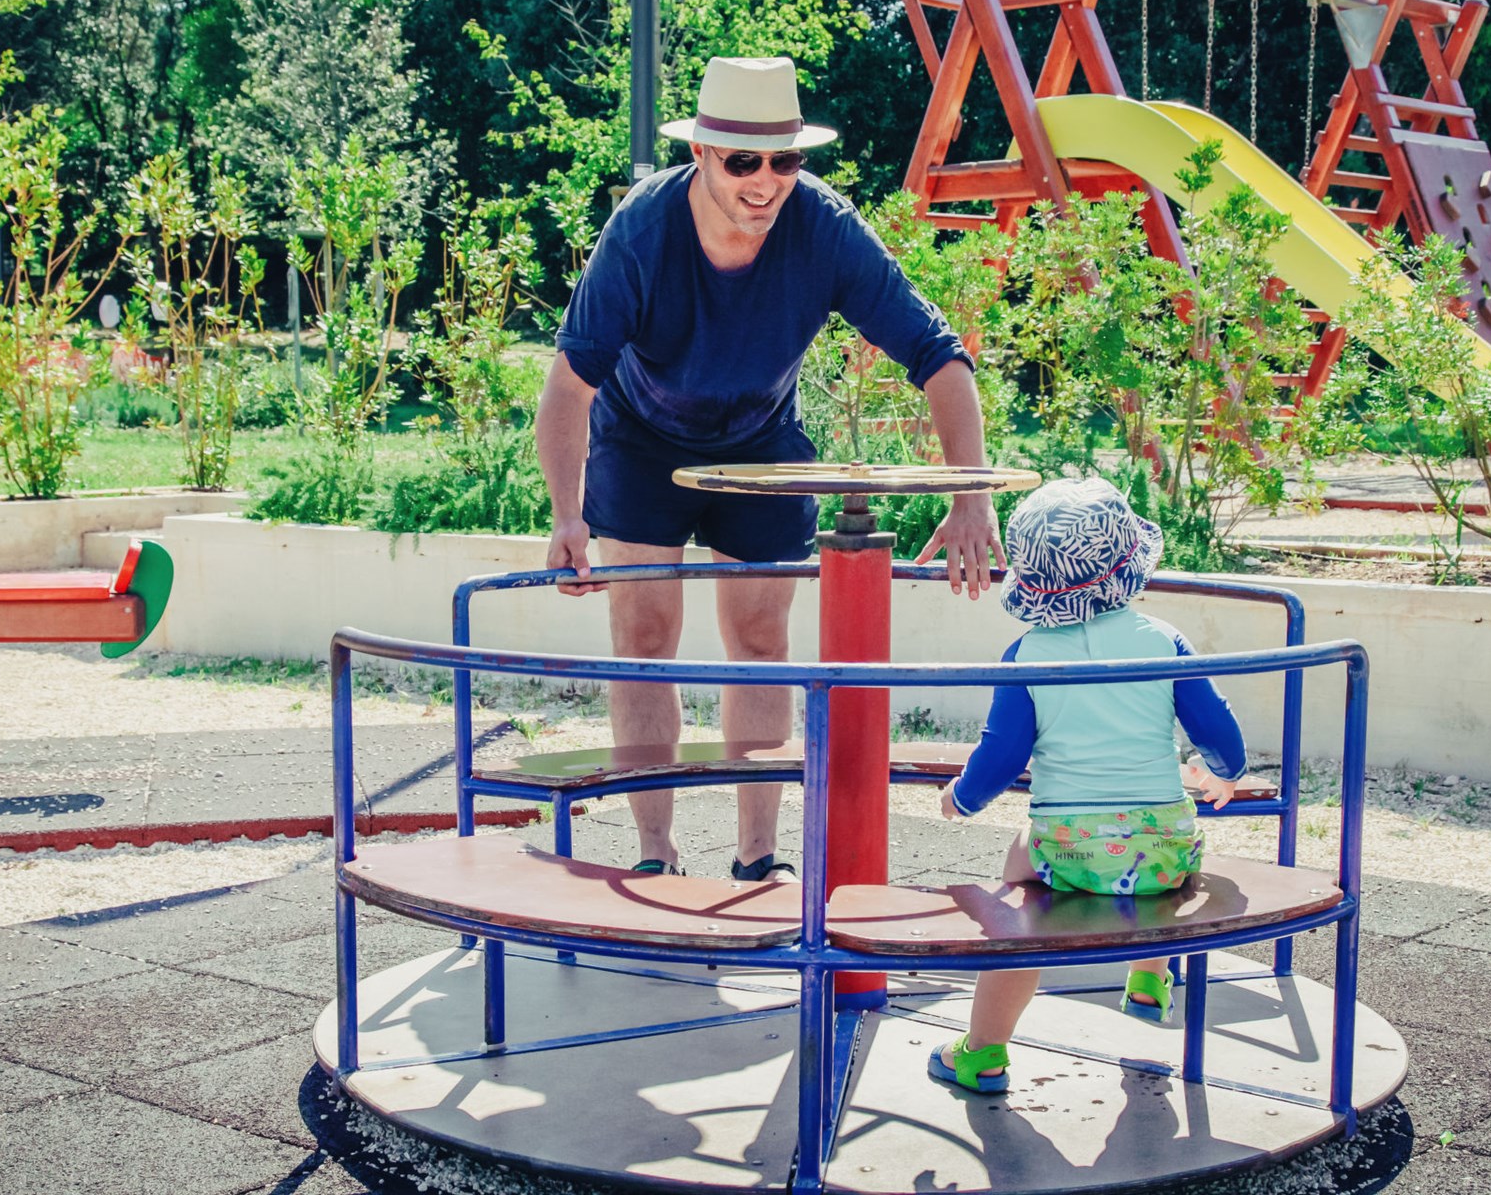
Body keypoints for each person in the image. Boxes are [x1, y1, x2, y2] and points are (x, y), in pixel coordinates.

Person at [535, 56, 1004, 882]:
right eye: (743, 161)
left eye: (784, 160)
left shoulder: (822, 226)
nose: (764, 182)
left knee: (759, 638)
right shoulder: (642, 233)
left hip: (760, 438)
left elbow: (940, 356)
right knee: (644, 636)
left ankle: (757, 854)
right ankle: (655, 851)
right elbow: (570, 385)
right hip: (642, 440)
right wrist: (566, 514)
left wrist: (972, 498)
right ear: (701, 155)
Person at [925, 477, 1248, 1094]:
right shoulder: (1163, 641)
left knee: (1016, 899)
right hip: (1163, 850)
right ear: (1129, 567)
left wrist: (960, 798)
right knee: (1153, 869)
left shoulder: (1026, 654)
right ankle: (1149, 979)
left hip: (1068, 851)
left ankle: (982, 1053)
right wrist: (1224, 772)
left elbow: (1002, 755)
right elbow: (1217, 727)